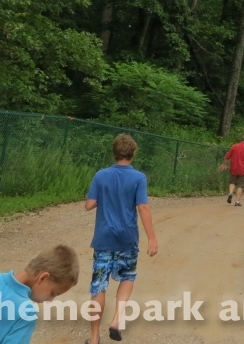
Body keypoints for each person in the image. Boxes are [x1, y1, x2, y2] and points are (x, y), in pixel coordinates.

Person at [85, 133, 159, 344]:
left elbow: (89, 204)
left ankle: (93, 338)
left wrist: (105, 196)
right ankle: (117, 320)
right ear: (133, 154)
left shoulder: (101, 175)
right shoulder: (138, 178)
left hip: (103, 238)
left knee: (99, 286)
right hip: (127, 238)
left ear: (115, 153)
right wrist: (152, 237)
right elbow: (143, 207)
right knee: (127, 277)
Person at [219, 134, 244, 206]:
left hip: (233, 168)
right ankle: (237, 202)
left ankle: (230, 193)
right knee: (240, 185)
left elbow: (227, 157)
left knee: (232, 182)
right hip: (243, 169)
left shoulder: (234, 146)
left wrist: (224, 164)